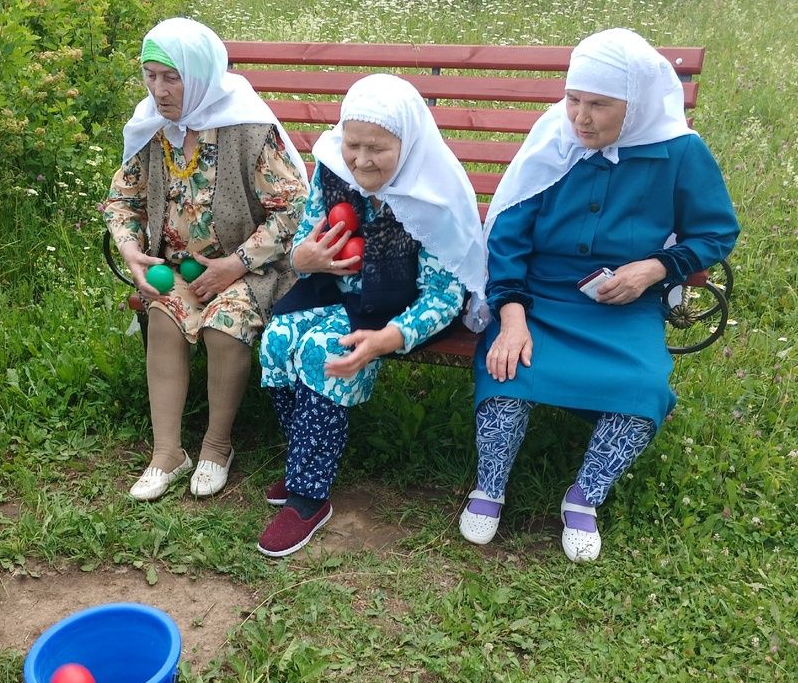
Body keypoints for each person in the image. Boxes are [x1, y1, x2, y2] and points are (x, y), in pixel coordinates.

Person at [459, 28, 740, 561]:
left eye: (599, 105)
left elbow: (716, 233)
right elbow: (509, 235)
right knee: (506, 367)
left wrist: (654, 269)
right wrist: (512, 317)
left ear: (634, 107)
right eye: (573, 100)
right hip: (538, 298)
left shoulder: (679, 152)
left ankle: (585, 493)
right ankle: (490, 485)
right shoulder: (554, 140)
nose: (580, 118)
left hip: (624, 306)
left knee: (644, 387)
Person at [256, 74, 486, 557]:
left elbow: (445, 298)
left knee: (322, 351)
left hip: (402, 306)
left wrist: (386, 338)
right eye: (352, 143)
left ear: (407, 141)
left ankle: (308, 497)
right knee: (277, 338)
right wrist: (305, 259)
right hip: (336, 288)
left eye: (377, 148)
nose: (359, 160)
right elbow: (302, 241)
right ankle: (305, 455)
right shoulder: (334, 168)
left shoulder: (432, 195)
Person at [102, 18, 307, 501]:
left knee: (223, 324)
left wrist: (235, 265)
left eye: (171, 77)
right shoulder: (154, 128)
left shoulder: (247, 129)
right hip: (177, 268)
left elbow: (294, 209)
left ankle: (217, 446)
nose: (158, 90)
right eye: (150, 75)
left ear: (198, 75)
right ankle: (168, 453)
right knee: (164, 315)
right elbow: (121, 200)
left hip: (247, 268)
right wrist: (132, 252)